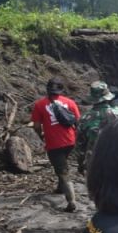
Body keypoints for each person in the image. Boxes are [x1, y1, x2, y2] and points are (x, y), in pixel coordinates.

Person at [30, 77, 81, 212]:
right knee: (61, 164)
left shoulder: (40, 104)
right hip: (70, 141)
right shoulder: (70, 102)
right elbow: (77, 121)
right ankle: (60, 188)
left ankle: (71, 201)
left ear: (47, 89)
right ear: (61, 90)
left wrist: (41, 135)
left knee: (63, 171)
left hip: (54, 143)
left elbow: (36, 126)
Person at [76, 81, 118, 174]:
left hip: (94, 163)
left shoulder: (84, 119)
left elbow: (80, 146)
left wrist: (81, 164)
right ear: (108, 98)